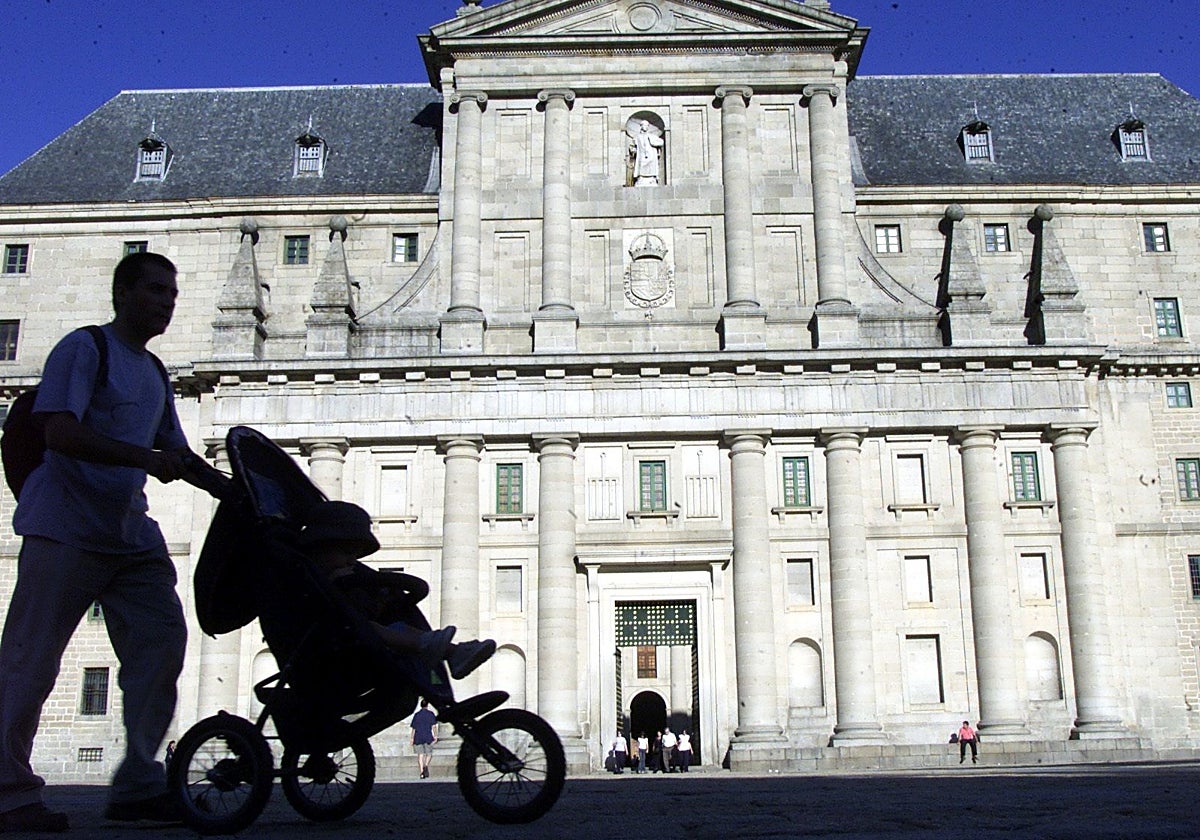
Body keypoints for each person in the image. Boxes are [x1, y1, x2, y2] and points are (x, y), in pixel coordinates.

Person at [0, 252, 199, 832]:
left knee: (161, 642)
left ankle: (138, 783)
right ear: (122, 293)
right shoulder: (84, 348)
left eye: (172, 293)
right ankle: (7, 793)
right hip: (66, 524)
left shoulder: (155, 372)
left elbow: (177, 453)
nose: (167, 302)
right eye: (156, 290)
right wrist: (144, 459)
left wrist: (242, 485)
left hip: (128, 530)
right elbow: (59, 431)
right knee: (31, 659)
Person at [298, 500, 495, 681]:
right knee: (369, 628)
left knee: (396, 627)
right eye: (346, 552)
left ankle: (451, 652)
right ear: (321, 547)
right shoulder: (311, 579)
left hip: (352, 639)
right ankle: (435, 648)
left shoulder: (344, 577)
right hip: (333, 644)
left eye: (355, 555)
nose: (351, 561)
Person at [628, 120, 664, 186]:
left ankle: (652, 180)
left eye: (647, 125)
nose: (646, 127)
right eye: (644, 125)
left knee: (651, 167)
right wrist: (633, 150)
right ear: (641, 126)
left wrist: (653, 143)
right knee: (641, 166)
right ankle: (641, 179)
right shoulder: (637, 137)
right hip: (641, 155)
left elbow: (661, 142)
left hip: (651, 155)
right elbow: (632, 146)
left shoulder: (651, 136)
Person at [410, 700, 437, 779]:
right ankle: (426, 765)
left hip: (418, 736)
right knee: (429, 754)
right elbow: (434, 726)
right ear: (427, 705)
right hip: (428, 736)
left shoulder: (417, 715)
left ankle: (422, 772)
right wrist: (435, 736)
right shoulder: (431, 714)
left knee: (420, 755)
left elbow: (414, 728)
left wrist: (412, 738)